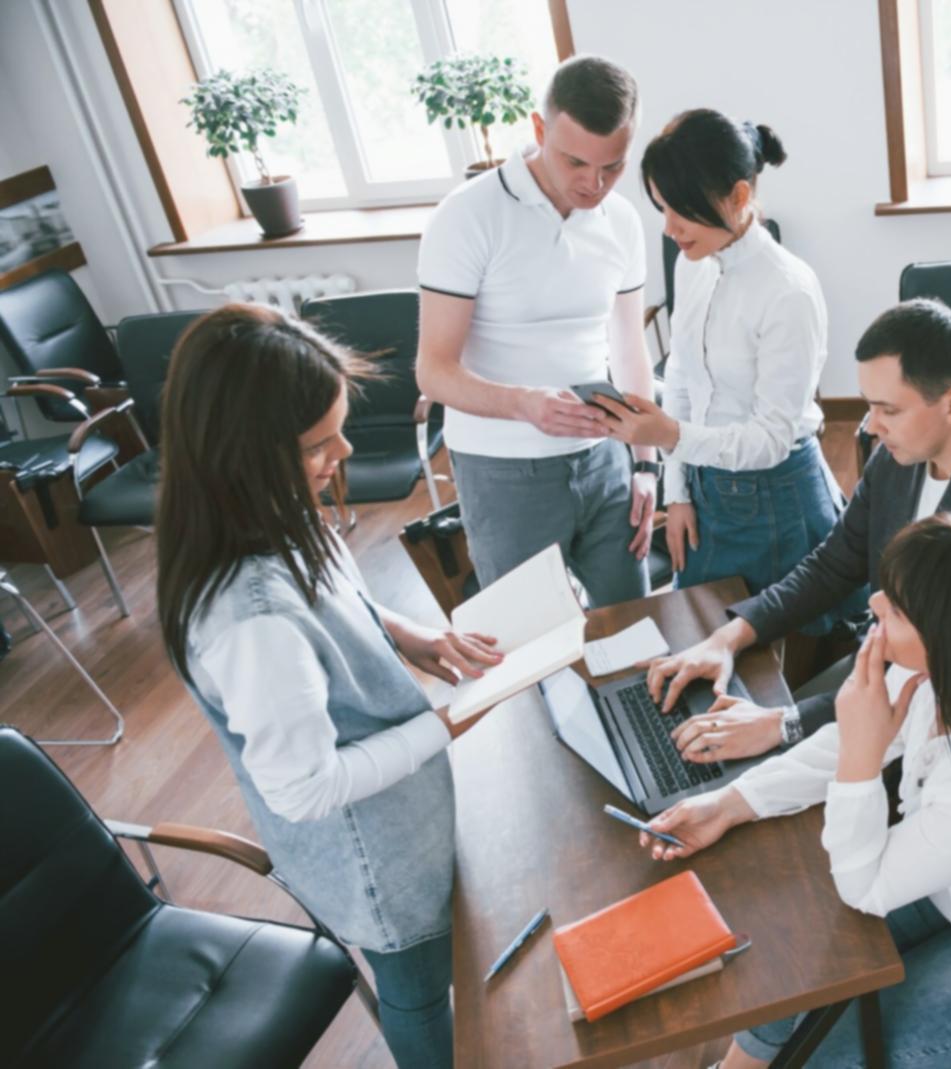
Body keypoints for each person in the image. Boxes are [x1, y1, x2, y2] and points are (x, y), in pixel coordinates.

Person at [639, 511, 951, 1067]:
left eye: (896, 608)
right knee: (797, 961)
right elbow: (846, 742)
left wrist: (861, 753)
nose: (874, 605)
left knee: (830, 1053)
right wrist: (730, 804)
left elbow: (866, 885)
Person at [156, 304, 505, 1069]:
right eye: (318, 442)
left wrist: (412, 634)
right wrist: (443, 725)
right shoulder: (250, 621)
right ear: (243, 451)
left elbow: (336, 592)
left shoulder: (264, 511)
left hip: (400, 807)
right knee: (415, 987)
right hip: (369, 850)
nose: (343, 451)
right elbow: (303, 790)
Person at [647, 298, 951, 761]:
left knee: (745, 770)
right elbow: (836, 561)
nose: (872, 425)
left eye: (888, 409)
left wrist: (785, 725)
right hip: (881, 669)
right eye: (870, 406)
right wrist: (729, 637)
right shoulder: (902, 454)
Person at [591, 108, 859, 634]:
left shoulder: (789, 291)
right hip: (708, 490)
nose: (668, 230)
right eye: (662, 209)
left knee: (785, 661)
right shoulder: (693, 266)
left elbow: (772, 440)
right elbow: (686, 383)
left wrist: (671, 437)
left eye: (681, 212)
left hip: (776, 498)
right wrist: (680, 493)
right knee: (704, 642)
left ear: (739, 198)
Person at [416, 54, 656, 606]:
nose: (594, 184)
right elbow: (433, 371)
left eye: (613, 166)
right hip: (502, 470)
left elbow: (628, 348)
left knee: (629, 627)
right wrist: (524, 404)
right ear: (539, 129)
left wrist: (644, 464)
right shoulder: (467, 217)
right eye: (576, 162)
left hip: (606, 459)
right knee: (533, 642)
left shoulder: (621, 221)